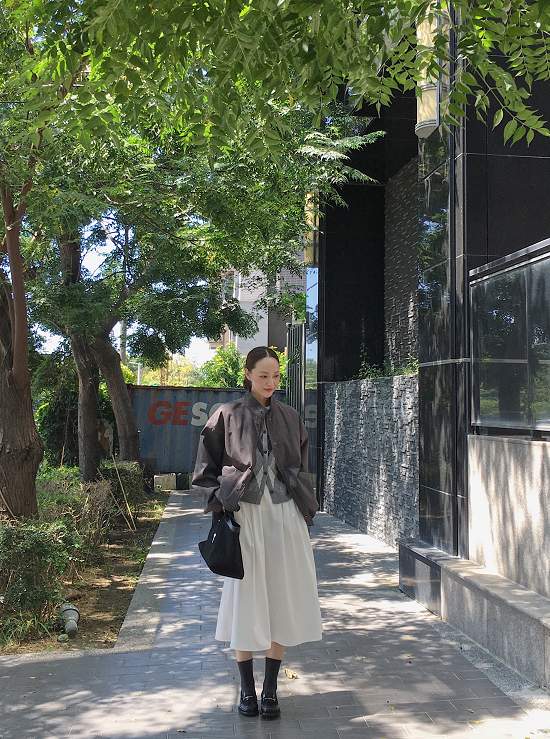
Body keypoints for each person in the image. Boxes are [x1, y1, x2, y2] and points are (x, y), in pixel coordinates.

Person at [192, 346, 323, 719]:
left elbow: (302, 466)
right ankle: (247, 690)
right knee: (246, 601)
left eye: (276, 376)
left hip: (285, 518)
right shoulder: (226, 415)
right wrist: (220, 503)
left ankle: (271, 691)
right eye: (263, 375)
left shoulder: (291, 417)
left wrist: (304, 501)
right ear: (248, 374)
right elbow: (203, 469)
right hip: (246, 518)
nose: (270, 382)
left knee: (281, 599)